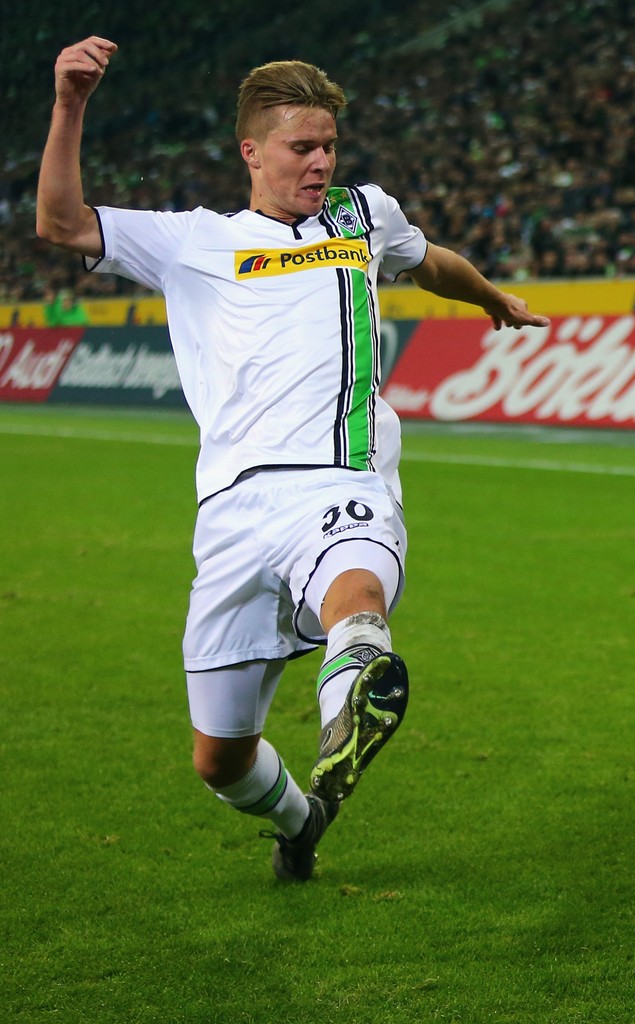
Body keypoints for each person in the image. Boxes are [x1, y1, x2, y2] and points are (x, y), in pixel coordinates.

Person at [37, 37, 549, 881]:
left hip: (340, 476)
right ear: (252, 151)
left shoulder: (363, 215)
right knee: (220, 759)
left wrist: (491, 296)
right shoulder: (192, 242)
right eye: (301, 148)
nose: (320, 163)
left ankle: (357, 687)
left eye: (329, 147)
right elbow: (59, 221)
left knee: (355, 586)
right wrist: (69, 103)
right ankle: (300, 818)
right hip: (233, 508)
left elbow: (432, 263)